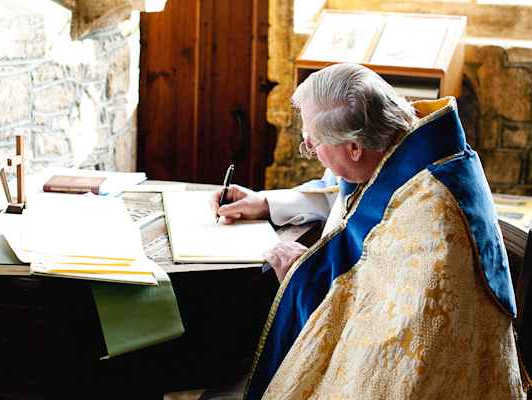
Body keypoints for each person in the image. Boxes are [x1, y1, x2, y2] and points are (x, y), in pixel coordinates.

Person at [207, 63, 527, 399]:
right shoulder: (403, 142)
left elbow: (384, 340)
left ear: (354, 149)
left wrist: (304, 278)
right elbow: (350, 191)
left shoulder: (430, 221)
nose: (313, 154)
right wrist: (265, 202)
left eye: (312, 145)